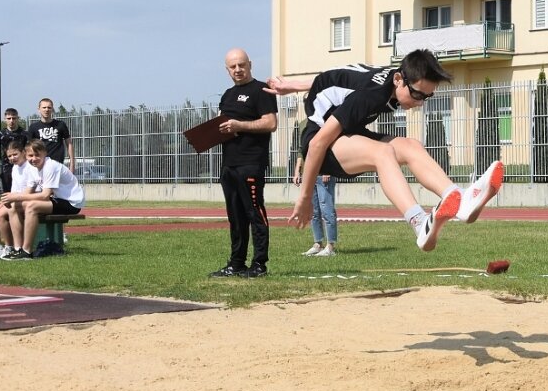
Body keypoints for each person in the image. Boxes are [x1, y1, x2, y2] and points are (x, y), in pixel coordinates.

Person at [266, 49, 504, 252]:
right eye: (417, 94)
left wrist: (293, 85)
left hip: (348, 135)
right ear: (399, 79)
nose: (420, 102)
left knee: (411, 146)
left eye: (427, 97)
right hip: (321, 144)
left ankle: (458, 198)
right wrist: (305, 198)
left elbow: (338, 76)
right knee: (383, 152)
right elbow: (318, 143)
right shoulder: (371, 95)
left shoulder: (391, 78)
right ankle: (419, 223)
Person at [209, 48, 278, 279]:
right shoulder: (227, 95)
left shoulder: (262, 91)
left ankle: (259, 264)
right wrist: (211, 132)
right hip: (229, 165)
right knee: (235, 217)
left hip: (251, 163)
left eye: (241, 65)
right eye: (233, 67)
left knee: (254, 213)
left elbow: (270, 123)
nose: (238, 70)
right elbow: (222, 124)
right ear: (227, 69)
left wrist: (240, 125)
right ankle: (236, 263)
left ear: (250, 64)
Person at [0, 139, 85, 260]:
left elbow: (45, 195)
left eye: (37, 155)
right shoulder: (33, 168)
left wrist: (16, 196)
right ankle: (18, 249)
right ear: (26, 155)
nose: (33, 158)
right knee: (14, 207)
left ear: (45, 153)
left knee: (31, 206)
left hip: (71, 202)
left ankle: (27, 251)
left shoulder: (51, 166)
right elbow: (28, 192)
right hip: (55, 199)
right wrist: (10, 200)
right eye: (30, 155)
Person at [0, 141, 36, 260]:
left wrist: (10, 199)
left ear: (23, 152)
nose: (12, 158)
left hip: (25, 200)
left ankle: (10, 247)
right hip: (14, 199)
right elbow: (13, 190)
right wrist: (4, 200)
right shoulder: (15, 168)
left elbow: (30, 191)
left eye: (15, 154)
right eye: (9, 156)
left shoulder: (30, 166)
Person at [293, 152, 338, 256]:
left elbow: (331, 150)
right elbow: (301, 153)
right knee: (314, 212)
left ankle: (330, 247)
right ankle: (318, 244)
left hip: (323, 175)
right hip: (309, 175)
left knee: (327, 210)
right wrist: (297, 172)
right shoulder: (306, 136)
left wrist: (328, 170)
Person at [28, 98, 75, 174]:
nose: (46, 110)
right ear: (39, 109)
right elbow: (29, 148)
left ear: (52, 109)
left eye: (49, 107)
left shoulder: (60, 125)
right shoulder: (33, 127)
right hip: (40, 165)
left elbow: (69, 144)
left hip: (57, 165)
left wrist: (72, 164)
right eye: (44, 107)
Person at [0, 108, 30, 192]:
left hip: (22, 166)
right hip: (6, 168)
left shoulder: (25, 134)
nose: (11, 121)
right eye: (9, 118)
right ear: (5, 119)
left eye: (14, 118)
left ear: (18, 118)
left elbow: (29, 150)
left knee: (22, 190)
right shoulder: (0, 134)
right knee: (8, 192)